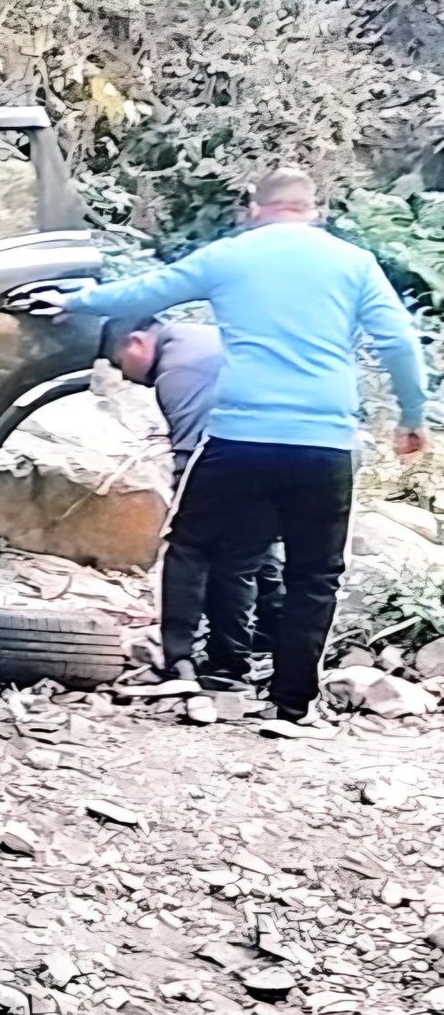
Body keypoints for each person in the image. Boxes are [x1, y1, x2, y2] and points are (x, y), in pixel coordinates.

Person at [52, 169, 427, 730]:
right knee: (315, 573)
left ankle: (179, 662)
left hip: (239, 436)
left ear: (256, 207)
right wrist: (412, 418)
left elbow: (147, 291)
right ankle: (289, 705)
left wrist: (73, 301)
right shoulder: (353, 263)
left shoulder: (231, 256)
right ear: (314, 207)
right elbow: (399, 341)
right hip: (323, 442)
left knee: (192, 543)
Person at [100, 317, 284, 688]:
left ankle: (178, 657)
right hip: (297, 451)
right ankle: (246, 656)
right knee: (244, 557)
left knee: (188, 548)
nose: (124, 376)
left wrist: (180, 506)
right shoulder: (203, 338)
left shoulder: (178, 369)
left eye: (119, 363)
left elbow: (190, 454)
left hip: (236, 453)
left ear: (136, 342)